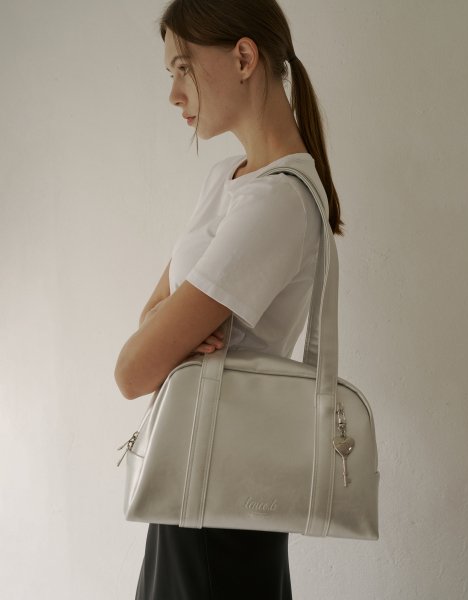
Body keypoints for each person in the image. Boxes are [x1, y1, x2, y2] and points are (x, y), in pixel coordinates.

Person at [114, 0, 345, 598]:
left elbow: (132, 371)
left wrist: (166, 335)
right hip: (191, 485)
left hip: (219, 509)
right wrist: (168, 329)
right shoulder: (226, 179)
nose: (173, 93)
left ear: (244, 58)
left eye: (183, 68)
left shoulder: (277, 203)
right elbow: (149, 318)